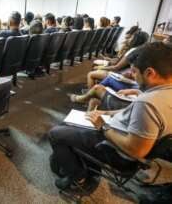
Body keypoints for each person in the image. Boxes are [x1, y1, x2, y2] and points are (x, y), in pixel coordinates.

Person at [49, 42, 172, 190]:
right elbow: (135, 116)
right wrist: (106, 113)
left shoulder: (148, 103)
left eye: (135, 73)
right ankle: (86, 165)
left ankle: (78, 176)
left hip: (116, 152)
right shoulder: (161, 94)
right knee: (71, 125)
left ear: (150, 73)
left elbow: (135, 150)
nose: (133, 76)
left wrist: (103, 126)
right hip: (118, 135)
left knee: (55, 133)